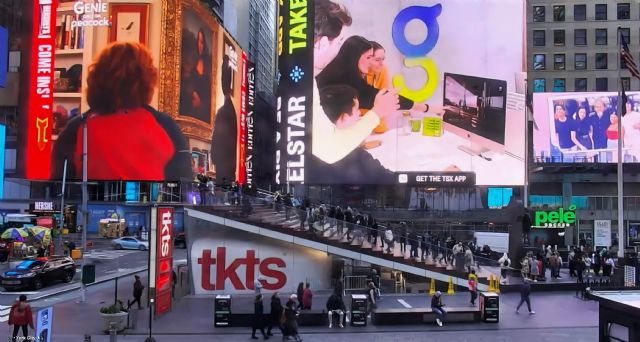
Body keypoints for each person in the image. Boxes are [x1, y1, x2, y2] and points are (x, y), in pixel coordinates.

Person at [51, 42, 192, 180]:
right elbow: (183, 188)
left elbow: (56, 190)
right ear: (147, 81)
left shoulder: (77, 127)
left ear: (96, 78)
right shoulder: (165, 125)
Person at [311, 0, 399, 167]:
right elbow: (329, 149)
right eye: (339, 42)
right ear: (322, 44)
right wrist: (377, 113)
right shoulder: (307, 87)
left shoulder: (305, 81)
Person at [211, 54, 239, 183]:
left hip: (224, 163)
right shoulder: (230, 110)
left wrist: (214, 156)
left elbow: (217, 135)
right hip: (228, 164)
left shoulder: (225, 111)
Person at [364, 41, 391, 133]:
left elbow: (384, 98)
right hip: (356, 116)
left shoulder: (383, 70)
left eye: (383, 59)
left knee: (382, 132)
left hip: (375, 113)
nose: (381, 63)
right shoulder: (357, 73)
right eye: (377, 60)